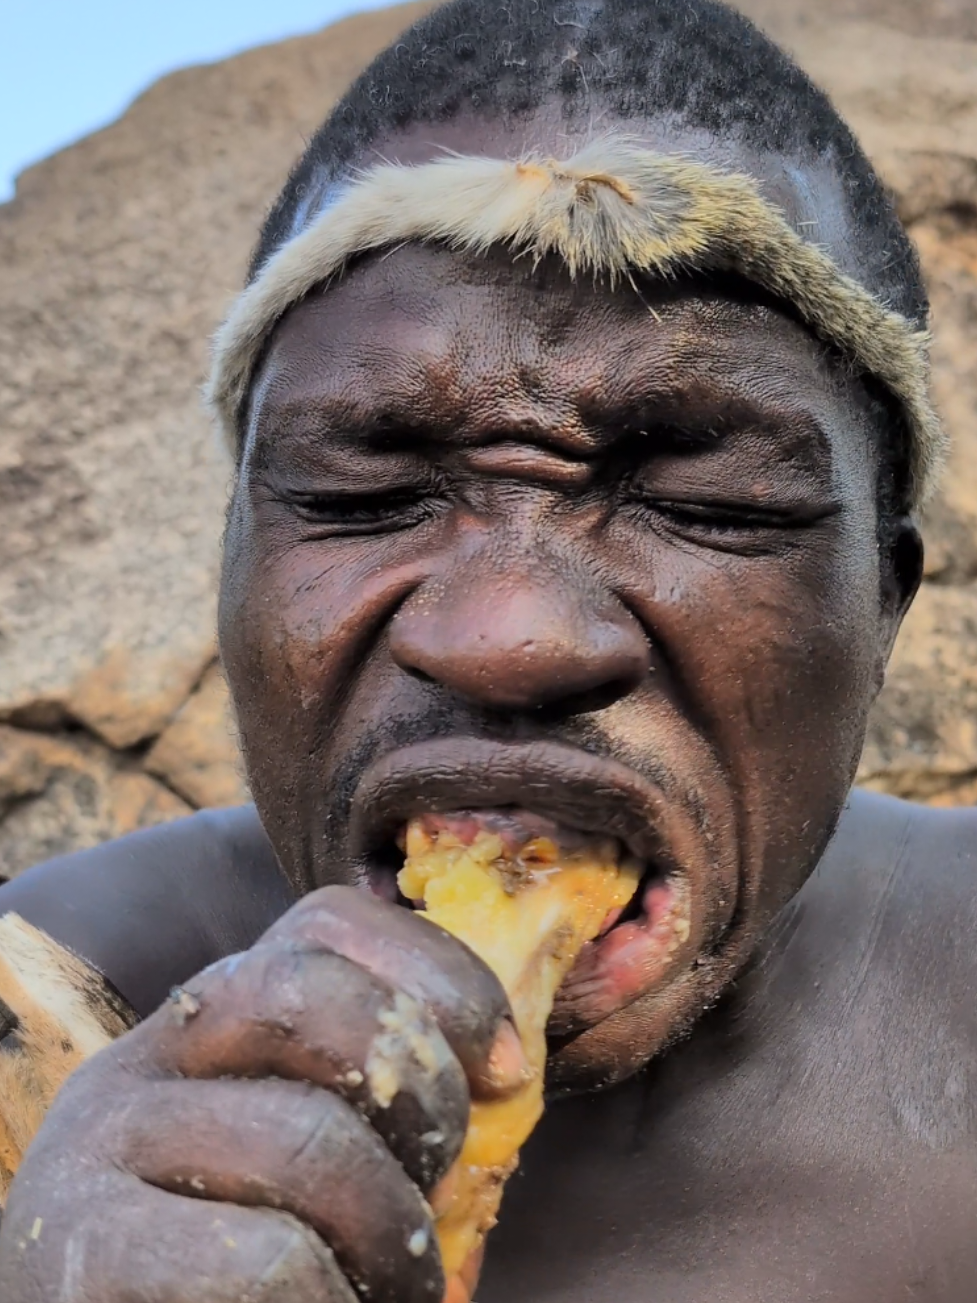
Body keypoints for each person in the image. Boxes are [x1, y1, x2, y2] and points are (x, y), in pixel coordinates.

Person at [0, 0, 974, 1297]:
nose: (507, 636)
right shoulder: (48, 995)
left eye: (709, 507)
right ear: (232, 567)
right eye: (361, 498)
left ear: (884, 603)